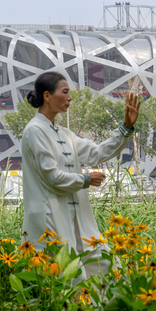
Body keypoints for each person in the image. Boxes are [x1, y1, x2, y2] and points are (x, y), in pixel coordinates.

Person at [21, 71, 140, 281]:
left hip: (76, 215)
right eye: (65, 92)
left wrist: (126, 128)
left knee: (107, 264)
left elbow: (97, 153)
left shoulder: (65, 134)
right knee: (69, 277)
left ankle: (116, 303)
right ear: (47, 96)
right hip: (50, 215)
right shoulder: (35, 131)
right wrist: (85, 180)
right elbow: (52, 177)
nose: (69, 98)